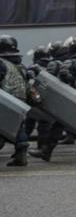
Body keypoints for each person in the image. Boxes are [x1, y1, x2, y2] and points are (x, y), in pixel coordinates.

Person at [1, 36, 36, 167]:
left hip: (5, 99)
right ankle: (21, 154)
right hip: (21, 99)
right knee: (18, 126)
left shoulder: (1, 63)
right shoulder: (20, 65)